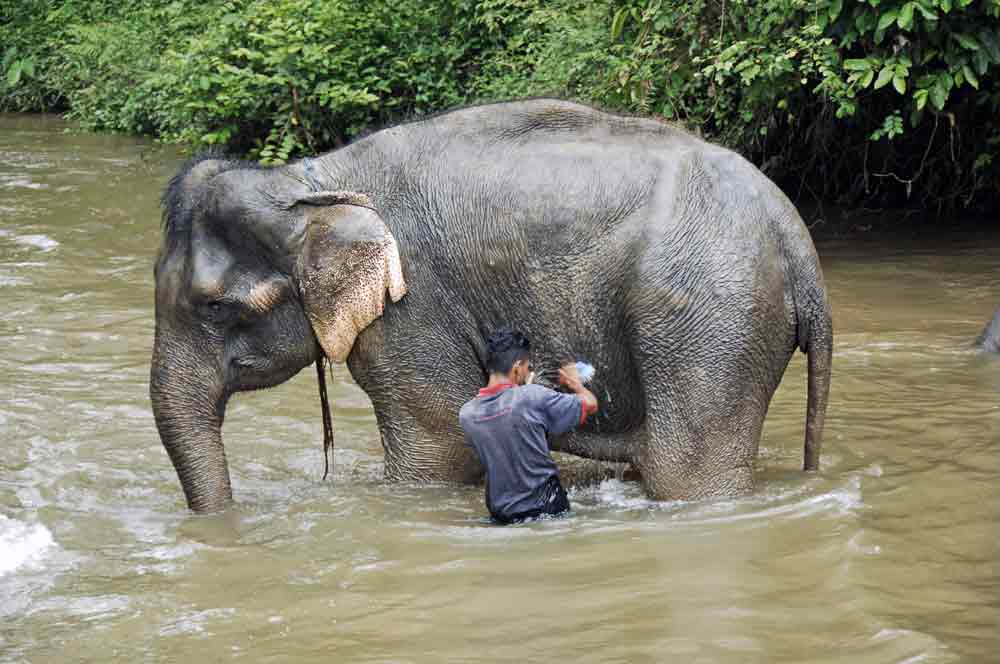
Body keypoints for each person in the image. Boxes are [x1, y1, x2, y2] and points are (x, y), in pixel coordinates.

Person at [459, 327, 598, 524]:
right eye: (526, 366)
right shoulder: (532, 397)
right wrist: (575, 384)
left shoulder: (467, 415)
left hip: (501, 517)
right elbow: (590, 404)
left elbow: (504, 435)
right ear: (516, 367)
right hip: (549, 510)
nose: (528, 371)